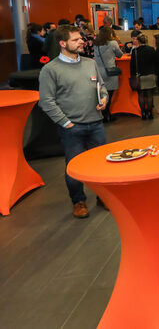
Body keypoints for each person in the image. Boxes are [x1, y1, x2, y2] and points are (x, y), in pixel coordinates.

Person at [38, 25, 109, 218]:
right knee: (74, 168)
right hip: (71, 128)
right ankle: (78, 201)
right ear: (63, 43)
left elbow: (101, 87)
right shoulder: (50, 70)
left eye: (81, 39)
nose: (82, 42)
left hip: (96, 123)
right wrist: (66, 123)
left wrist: (103, 98)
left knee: (102, 164)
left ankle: (104, 197)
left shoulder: (89, 63)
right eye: (76, 40)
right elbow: (46, 101)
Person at [93, 26, 124, 122]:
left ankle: (103, 115)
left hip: (99, 71)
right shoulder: (113, 43)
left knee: (102, 93)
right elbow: (120, 54)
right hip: (110, 71)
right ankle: (108, 115)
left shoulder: (96, 44)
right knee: (109, 94)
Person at [129, 34, 158, 120]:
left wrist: (132, 75)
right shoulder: (151, 49)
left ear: (138, 41)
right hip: (150, 75)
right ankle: (150, 113)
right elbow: (155, 62)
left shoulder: (135, 51)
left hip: (140, 76)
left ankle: (143, 113)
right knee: (150, 95)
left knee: (141, 95)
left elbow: (132, 66)